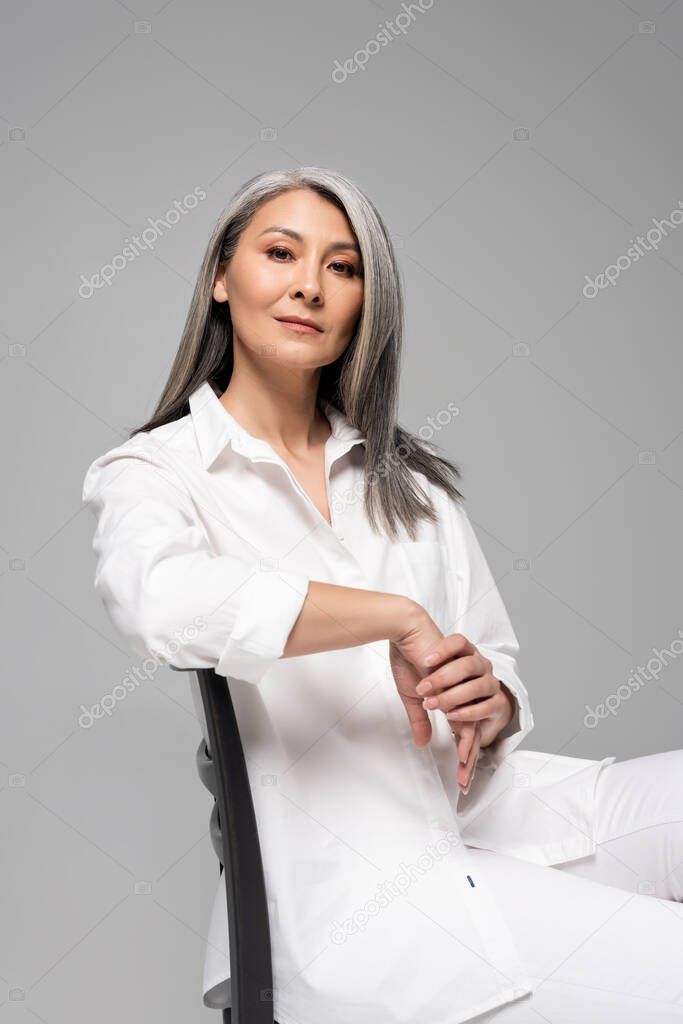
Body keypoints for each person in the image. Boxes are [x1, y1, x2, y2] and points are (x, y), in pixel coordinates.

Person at [82, 167, 683, 1023]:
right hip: (364, 890)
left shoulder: (409, 482)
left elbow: (494, 659)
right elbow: (161, 603)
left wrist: (492, 699)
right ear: (221, 277)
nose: (308, 286)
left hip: (485, 814)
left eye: (343, 266)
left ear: (366, 300)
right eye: (280, 253)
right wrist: (390, 616)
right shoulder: (155, 473)